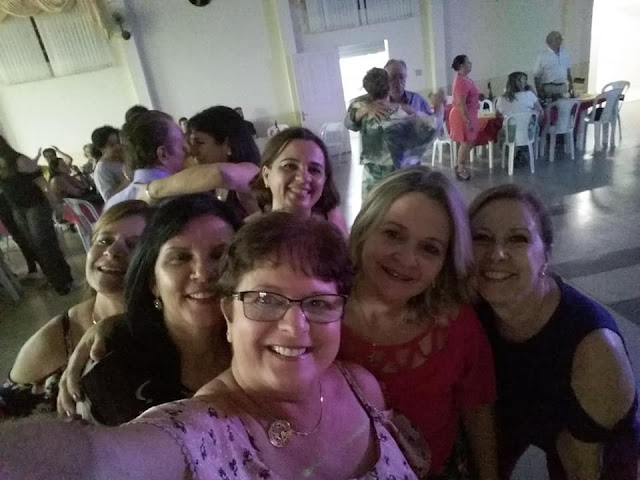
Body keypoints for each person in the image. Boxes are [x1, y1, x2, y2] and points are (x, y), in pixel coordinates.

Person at [0, 212, 421, 480]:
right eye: (265, 299)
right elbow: (100, 462)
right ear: (229, 314)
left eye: (318, 303)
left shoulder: (360, 385)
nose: (294, 327)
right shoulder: (202, 431)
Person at [469, 184, 639, 480]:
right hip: (517, 411)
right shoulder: (475, 311)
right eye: (482, 237)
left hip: (594, 451)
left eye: (518, 238)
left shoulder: (594, 350)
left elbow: (584, 469)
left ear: (545, 256)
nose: (497, 253)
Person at [340, 167, 499, 479]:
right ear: (364, 229)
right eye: (393, 234)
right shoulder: (315, 307)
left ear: (444, 264)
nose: (406, 258)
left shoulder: (456, 326)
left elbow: (478, 410)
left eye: (429, 248)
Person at [66, 194, 239, 425]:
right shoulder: (113, 376)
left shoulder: (266, 344)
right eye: (180, 257)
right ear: (153, 282)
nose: (203, 273)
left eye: (220, 256)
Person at [0, 201, 151, 418]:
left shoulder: (171, 322)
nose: (112, 251)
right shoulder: (58, 337)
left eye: (134, 245)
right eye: (104, 240)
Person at [139, 106, 261, 218]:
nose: (192, 151)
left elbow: (221, 174)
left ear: (228, 144)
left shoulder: (251, 171)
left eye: (199, 143)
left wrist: (152, 190)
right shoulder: (205, 182)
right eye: (191, 143)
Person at [345, 68, 441, 197]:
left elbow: (350, 117)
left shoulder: (361, 108)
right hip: (401, 176)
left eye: (401, 77)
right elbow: (433, 127)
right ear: (388, 86)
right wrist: (439, 105)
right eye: (393, 78)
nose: (398, 82)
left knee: (375, 206)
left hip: (372, 178)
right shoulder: (400, 114)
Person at [0, 135, 74, 295]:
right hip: (18, 209)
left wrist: (55, 204)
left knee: (45, 244)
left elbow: (43, 184)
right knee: (35, 246)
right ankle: (55, 279)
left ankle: (63, 280)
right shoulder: (2, 165)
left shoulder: (20, 160)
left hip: (36, 206)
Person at [250, 127, 348, 236]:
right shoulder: (249, 235)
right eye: (289, 166)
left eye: (314, 170)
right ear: (266, 175)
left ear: (324, 180)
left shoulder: (332, 228)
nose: (303, 178)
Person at [103, 111, 187, 211]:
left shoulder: (112, 205)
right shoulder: (183, 199)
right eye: (181, 146)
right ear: (163, 154)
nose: (187, 150)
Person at [449, 54, 478, 181]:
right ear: (461, 66)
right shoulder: (461, 81)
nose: (470, 64)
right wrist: (467, 120)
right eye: (468, 62)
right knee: (466, 142)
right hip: (462, 116)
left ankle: (460, 165)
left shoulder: (465, 79)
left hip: (468, 114)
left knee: (469, 142)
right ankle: (460, 168)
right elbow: (460, 103)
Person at [533, 31, 573, 101]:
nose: (560, 40)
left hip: (563, 86)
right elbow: (537, 75)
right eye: (557, 38)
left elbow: (568, 71)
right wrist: (540, 92)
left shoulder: (564, 52)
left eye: (560, 38)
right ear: (550, 41)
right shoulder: (543, 55)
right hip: (549, 87)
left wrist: (571, 86)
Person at [91, 125, 126, 201]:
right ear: (102, 148)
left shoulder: (124, 159)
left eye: (118, 142)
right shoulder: (102, 169)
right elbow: (109, 198)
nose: (118, 147)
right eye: (112, 145)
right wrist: (127, 180)